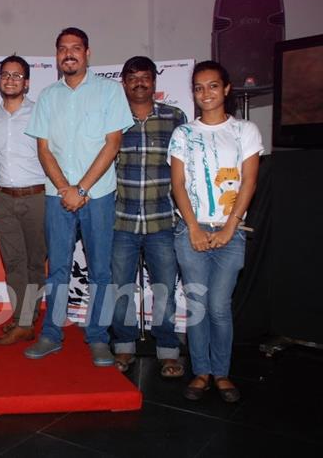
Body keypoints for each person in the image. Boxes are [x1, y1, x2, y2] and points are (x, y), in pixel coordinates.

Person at [23, 27, 133, 365]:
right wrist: (64, 189)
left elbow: (112, 144)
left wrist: (81, 189)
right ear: (56, 56)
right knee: (57, 268)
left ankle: (98, 337)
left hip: (97, 195)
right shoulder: (47, 96)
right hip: (57, 196)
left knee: (101, 270)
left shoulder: (110, 92)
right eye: (62, 49)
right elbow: (43, 149)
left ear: (87, 53)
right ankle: (51, 334)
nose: (69, 54)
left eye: (76, 48)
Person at [168, 60, 262, 403]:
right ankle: (201, 372)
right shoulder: (183, 133)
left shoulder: (245, 131)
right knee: (197, 304)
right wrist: (192, 227)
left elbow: (250, 181)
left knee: (219, 306)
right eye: (198, 87)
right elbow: (177, 184)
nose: (205, 93)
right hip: (190, 230)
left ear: (226, 89)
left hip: (231, 232)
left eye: (211, 86)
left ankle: (221, 372)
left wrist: (229, 228)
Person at [110, 56, 187, 377]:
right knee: (121, 288)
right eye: (132, 77)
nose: (139, 82)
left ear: (154, 82)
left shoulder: (175, 118)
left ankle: (168, 350)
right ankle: (124, 347)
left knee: (165, 289)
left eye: (145, 77)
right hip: (121, 220)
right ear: (124, 82)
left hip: (162, 221)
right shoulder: (111, 118)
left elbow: (187, 169)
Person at [0, 55, 47, 346]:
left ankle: (28, 315)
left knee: (35, 261)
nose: (10, 80)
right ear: (0, 80)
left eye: (17, 76)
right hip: (2, 199)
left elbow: (52, 155)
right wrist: (7, 185)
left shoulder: (40, 114)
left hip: (37, 197)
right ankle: (23, 320)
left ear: (27, 82)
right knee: (14, 262)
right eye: (6, 75)